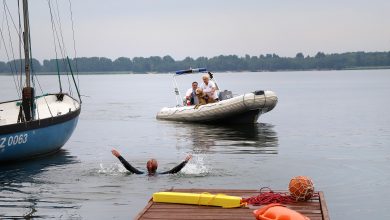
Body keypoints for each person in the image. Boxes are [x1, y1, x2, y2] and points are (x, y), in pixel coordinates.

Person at [111, 149, 192, 175]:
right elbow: (175, 170)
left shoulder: (141, 174)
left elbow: (128, 167)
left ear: (147, 166)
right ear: (157, 167)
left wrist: (119, 156)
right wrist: (185, 161)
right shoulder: (162, 174)